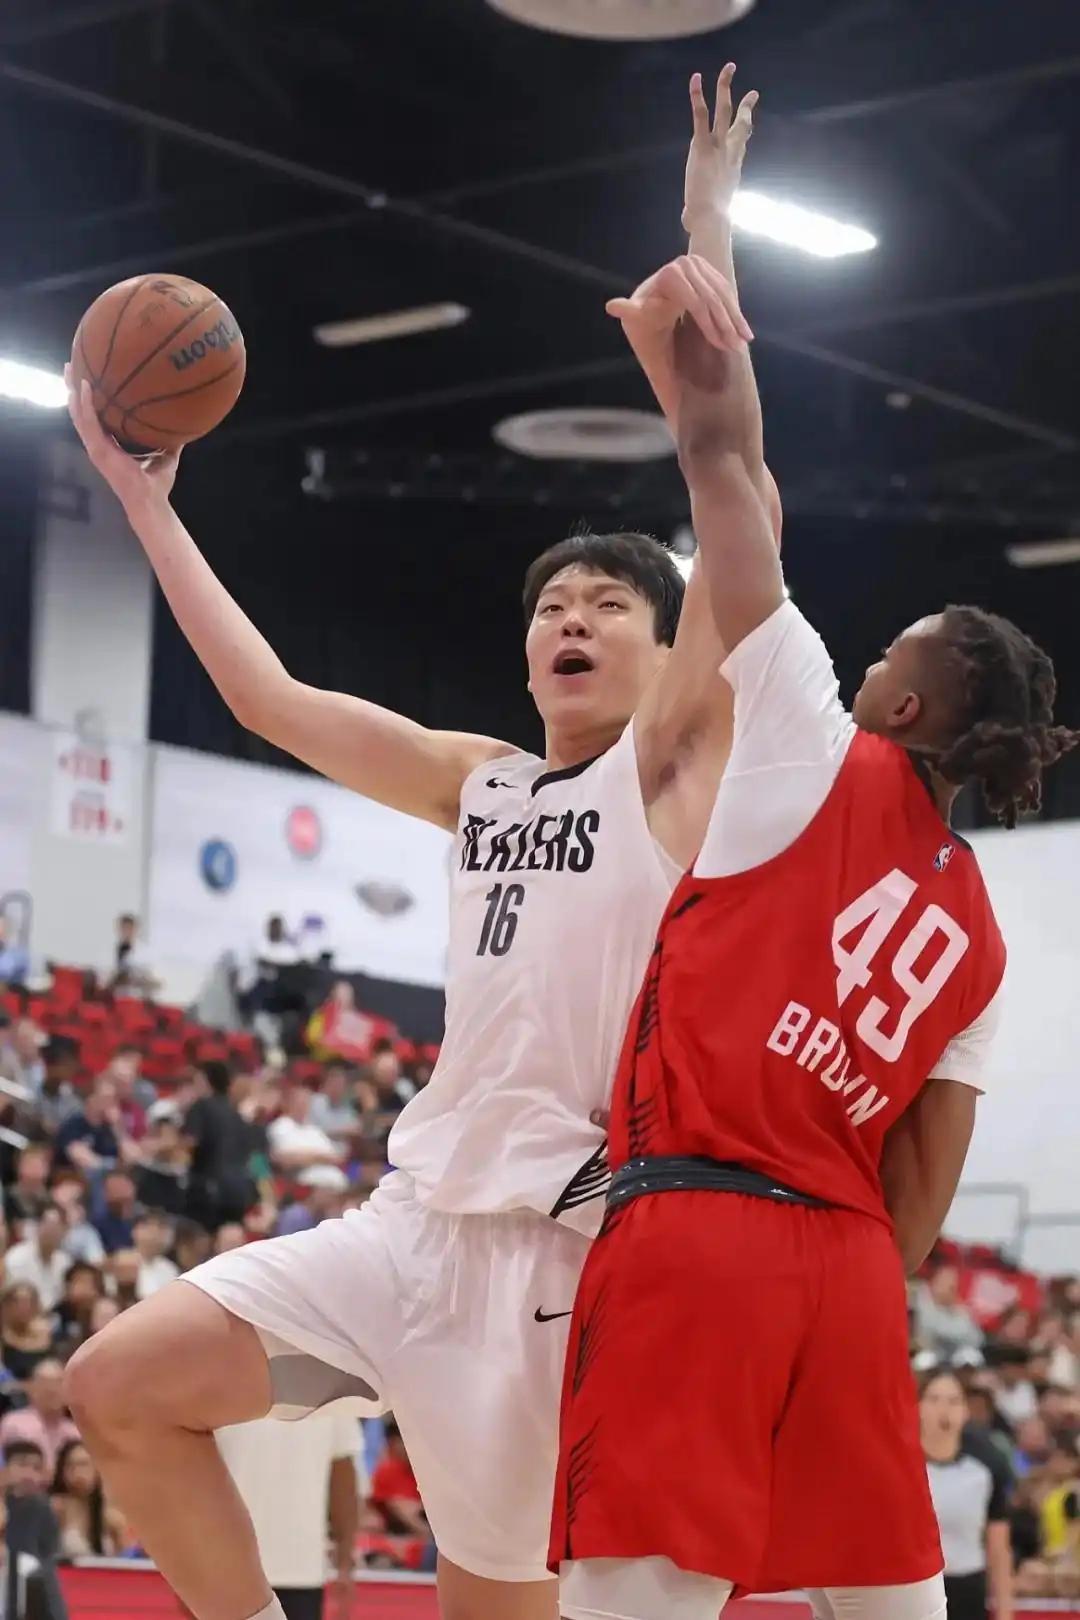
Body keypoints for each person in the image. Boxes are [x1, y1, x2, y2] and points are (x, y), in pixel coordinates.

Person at [61, 69, 762, 1620]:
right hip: (406, 1227)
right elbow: (268, 698)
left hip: (558, 1259)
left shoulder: (672, 773)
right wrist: (141, 498)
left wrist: (708, 242)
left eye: (607, 606)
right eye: (550, 605)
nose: (569, 618)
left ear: (666, 656)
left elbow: (733, 504)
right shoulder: (480, 780)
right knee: (116, 1386)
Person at [548, 76, 1080, 1620]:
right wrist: (830, 1292)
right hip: (845, 1270)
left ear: (904, 699)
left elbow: (727, 461)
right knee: (888, 1603)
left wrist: (706, 221)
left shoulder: (802, 733)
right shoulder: (983, 931)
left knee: (634, 1601)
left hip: (697, 1224)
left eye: (890, 649)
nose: (864, 658)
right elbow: (924, 1185)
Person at [216, 1409, 361, 1620]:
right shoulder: (334, 1390)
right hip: (239, 1570)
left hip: (292, 1570)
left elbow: (342, 1477)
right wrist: (344, 1563)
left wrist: (345, 1562)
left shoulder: (335, 1395)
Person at [920, 1368, 1013, 1620]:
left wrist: (1005, 1611)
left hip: (968, 1588)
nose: (944, 1410)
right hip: (915, 1590)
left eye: (954, 1401)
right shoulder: (901, 1468)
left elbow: (998, 1548)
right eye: (934, 1399)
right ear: (918, 1407)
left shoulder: (986, 1465)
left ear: (965, 1410)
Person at [184, 1062, 259, 1231]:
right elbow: (255, 1157)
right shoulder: (238, 1116)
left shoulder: (201, 1106)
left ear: (205, 1081)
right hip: (239, 1192)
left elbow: (189, 1144)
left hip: (208, 1190)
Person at [4, 1441, 68, 1620]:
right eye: (22, 1465)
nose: (29, 1475)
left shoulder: (41, 1509)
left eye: (36, 1468)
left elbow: (47, 1562)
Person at [50, 1439, 130, 1559]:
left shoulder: (111, 1516)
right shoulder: (55, 1508)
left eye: (84, 1465)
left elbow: (129, 1559)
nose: (78, 1472)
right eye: (70, 1466)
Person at [0, 1362, 79, 1479]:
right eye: (45, 1384)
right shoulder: (13, 1424)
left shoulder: (75, 1432)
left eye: (58, 1383)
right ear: (32, 1389)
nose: (52, 1389)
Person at [53, 1080, 131, 1176]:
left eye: (112, 1100)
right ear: (91, 1099)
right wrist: (113, 1165)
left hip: (110, 1177)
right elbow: (81, 1157)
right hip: (75, 1177)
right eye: (105, 1099)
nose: (109, 1104)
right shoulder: (73, 1124)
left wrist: (117, 1126)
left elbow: (131, 1158)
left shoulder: (111, 1128)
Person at [4, 1211, 71, 1315]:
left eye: (56, 1228)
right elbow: (13, 1297)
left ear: (64, 1231)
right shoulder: (16, 1258)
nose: (51, 1232)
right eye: (47, 1226)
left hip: (55, 1316)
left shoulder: (65, 1262)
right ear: (38, 1227)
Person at [266, 1085, 343, 1175]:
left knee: (355, 1171)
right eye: (299, 1102)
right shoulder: (280, 1126)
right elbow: (286, 1160)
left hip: (333, 1177)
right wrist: (320, 1157)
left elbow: (336, 1158)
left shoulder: (314, 1130)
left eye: (306, 1102)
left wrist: (311, 1157)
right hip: (302, 1179)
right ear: (288, 1104)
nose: (303, 1106)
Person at [914, 1265, 985, 1361]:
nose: (950, 1289)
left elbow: (977, 1340)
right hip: (930, 1353)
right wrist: (955, 1333)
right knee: (926, 1358)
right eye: (943, 1283)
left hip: (954, 1356)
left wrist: (958, 1311)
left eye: (953, 1286)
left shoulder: (960, 1311)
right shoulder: (922, 1303)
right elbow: (928, 1333)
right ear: (934, 1283)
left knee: (971, 1356)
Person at [0, 1286, 53, 1383]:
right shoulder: (3, 1337)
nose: (24, 1307)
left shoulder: (48, 1332)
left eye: (29, 1302)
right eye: (17, 1302)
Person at [131, 1214, 179, 1299]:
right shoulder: (122, 1261)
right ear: (137, 1230)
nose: (162, 1235)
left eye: (165, 1229)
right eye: (160, 1227)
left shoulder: (169, 1268)